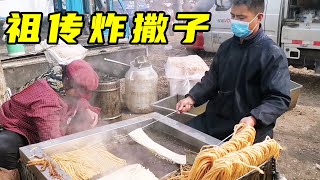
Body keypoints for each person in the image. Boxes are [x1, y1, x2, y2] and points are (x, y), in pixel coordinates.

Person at [176, 0, 291, 143]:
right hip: (217, 118)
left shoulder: (272, 54)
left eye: (241, 18)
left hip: (248, 127)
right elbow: (212, 79)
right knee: (180, 138)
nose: (235, 21)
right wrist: (192, 98)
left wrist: (254, 118)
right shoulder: (226, 47)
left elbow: (279, 98)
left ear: (259, 17)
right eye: (233, 16)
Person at [0, 60, 100, 173]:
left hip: (42, 124)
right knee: (4, 146)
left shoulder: (59, 78)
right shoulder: (46, 100)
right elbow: (52, 141)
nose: (80, 96)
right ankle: (15, 172)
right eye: (79, 92)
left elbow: (78, 99)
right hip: (20, 128)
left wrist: (87, 108)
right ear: (68, 83)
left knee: (83, 118)